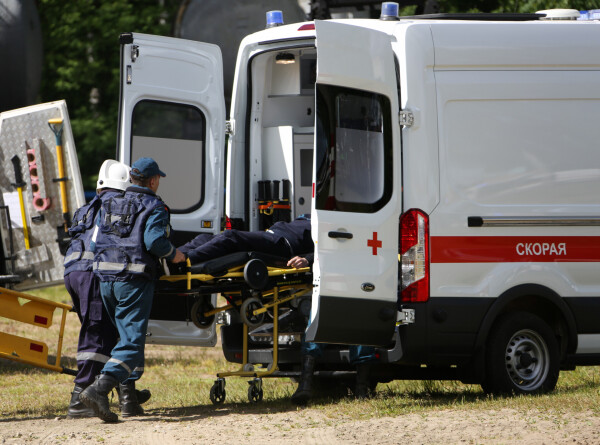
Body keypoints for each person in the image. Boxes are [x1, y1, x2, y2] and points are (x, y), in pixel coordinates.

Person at [80, 157, 185, 422]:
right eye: (158, 179)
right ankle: (98, 389)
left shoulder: (110, 203)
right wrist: (175, 255)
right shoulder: (154, 206)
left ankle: (129, 401)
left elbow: (93, 244)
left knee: (124, 337)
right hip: (133, 281)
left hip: (105, 279)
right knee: (132, 342)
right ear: (152, 180)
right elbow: (155, 242)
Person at [63, 160, 151, 419]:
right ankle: (80, 401)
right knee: (99, 336)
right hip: (94, 272)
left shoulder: (88, 206)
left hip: (72, 272)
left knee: (111, 332)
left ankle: (128, 396)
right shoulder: (116, 206)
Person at [179, 214, 313, 265]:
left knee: (230, 237)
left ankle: (183, 261)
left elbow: (330, 252)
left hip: (283, 245)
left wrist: (307, 259)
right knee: (205, 237)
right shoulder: (310, 215)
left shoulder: (329, 225)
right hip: (273, 235)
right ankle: (171, 255)